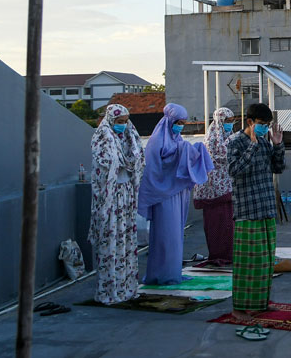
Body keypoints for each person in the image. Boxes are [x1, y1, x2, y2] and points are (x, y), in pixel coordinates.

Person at [137, 103, 213, 285]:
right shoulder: (157, 141)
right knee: (165, 235)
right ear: (170, 120)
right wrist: (184, 151)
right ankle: (161, 274)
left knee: (175, 235)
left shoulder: (177, 139)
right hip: (164, 194)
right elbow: (155, 170)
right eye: (178, 122)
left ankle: (172, 273)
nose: (180, 126)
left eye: (183, 123)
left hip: (177, 192)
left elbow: (182, 159)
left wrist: (191, 150)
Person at [226, 102, 286, 323]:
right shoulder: (234, 142)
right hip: (247, 210)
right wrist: (251, 147)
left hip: (266, 207)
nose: (264, 128)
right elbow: (234, 171)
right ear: (250, 122)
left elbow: (277, 168)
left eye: (267, 125)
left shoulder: (264, 141)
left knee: (264, 262)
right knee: (246, 264)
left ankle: (260, 303)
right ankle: (239, 308)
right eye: (262, 124)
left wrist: (278, 145)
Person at [89, 103, 145, 304]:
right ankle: (110, 290)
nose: (122, 125)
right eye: (119, 122)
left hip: (127, 196)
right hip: (110, 199)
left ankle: (127, 288)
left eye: (125, 122)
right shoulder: (102, 139)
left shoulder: (130, 138)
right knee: (111, 241)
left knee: (127, 242)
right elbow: (106, 164)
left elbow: (139, 159)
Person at [193, 107, 237, 265]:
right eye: (228, 122)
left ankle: (229, 254)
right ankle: (218, 254)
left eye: (233, 121)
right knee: (216, 225)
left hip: (228, 190)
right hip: (213, 192)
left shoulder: (230, 137)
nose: (231, 125)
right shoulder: (211, 139)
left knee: (229, 226)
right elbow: (219, 158)